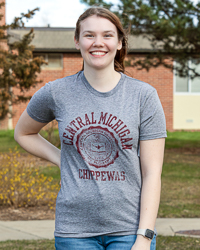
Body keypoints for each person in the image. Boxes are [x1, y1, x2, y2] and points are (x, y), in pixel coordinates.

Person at [14, 6, 167, 250]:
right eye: (89, 35)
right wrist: (61, 157)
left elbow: (152, 174)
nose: (98, 43)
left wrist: (144, 236)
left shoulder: (143, 96)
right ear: (77, 41)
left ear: (119, 42)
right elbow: (23, 132)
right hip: (74, 231)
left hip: (128, 230)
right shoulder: (57, 92)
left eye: (107, 35)